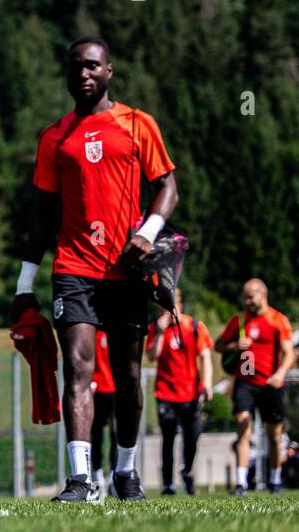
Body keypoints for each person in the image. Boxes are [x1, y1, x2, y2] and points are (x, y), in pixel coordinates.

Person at [11, 37, 178, 502]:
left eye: (92, 66)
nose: (83, 74)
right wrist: (25, 286)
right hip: (73, 267)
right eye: (75, 67)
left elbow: (167, 187)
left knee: (126, 376)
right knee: (79, 370)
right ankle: (81, 478)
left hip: (126, 269)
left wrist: (149, 231)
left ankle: (125, 471)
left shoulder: (137, 124)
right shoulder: (54, 137)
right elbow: (41, 217)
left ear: (109, 71)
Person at [215, 279, 294, 495]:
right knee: (242, 425)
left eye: (250, 296)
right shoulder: (239, 320)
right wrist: (234, 345)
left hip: (270, 383)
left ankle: (275, 480)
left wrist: (279, 374)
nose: (247, 301)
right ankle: (241, 483)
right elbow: (218, 345)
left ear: (263, 294)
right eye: (245, 296)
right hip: (245, 381)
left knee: (274, 434)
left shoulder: (278, 320)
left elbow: (289, 353)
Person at [145, 288, 212, 495]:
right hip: (165, 393)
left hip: (190, 393)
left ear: (179, 305)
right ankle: (167, 483)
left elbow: (206, 357)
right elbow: (152, 356)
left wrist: (207, 384)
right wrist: (161, 332)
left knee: (191, 438)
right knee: (168, 439)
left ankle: (188, 473)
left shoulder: (194, 327)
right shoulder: (156, 329)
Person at [90, 329, 117, 496]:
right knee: (97, 434)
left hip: (115, 390)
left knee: (116, 434)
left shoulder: (116, 332)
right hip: (97, 390)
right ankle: (98, 476)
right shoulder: (92, 333)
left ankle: (114, 477)